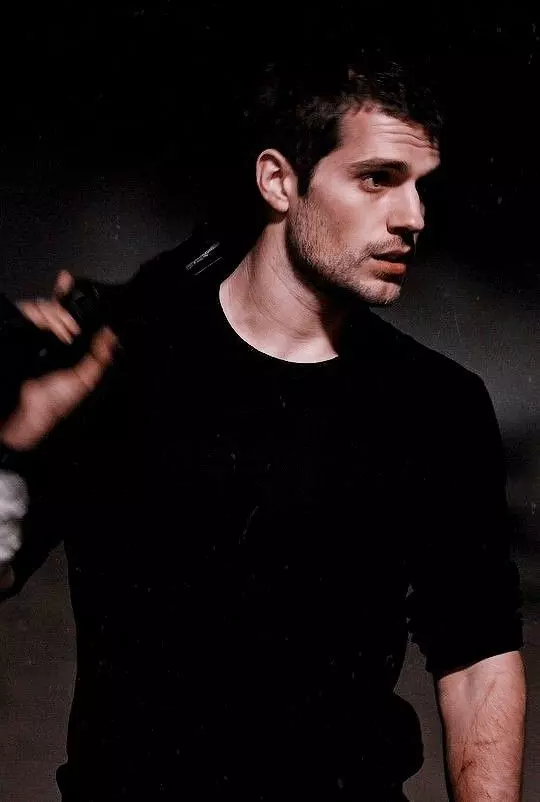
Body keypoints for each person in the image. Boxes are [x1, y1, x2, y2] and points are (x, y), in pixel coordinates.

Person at [0, 54, 526, 801]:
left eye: (420, 187)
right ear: (279, 181)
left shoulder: (438, 404)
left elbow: (478, 661)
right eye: (378, 179)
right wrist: (11, 442)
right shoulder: (124, 365)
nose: (413, 217)